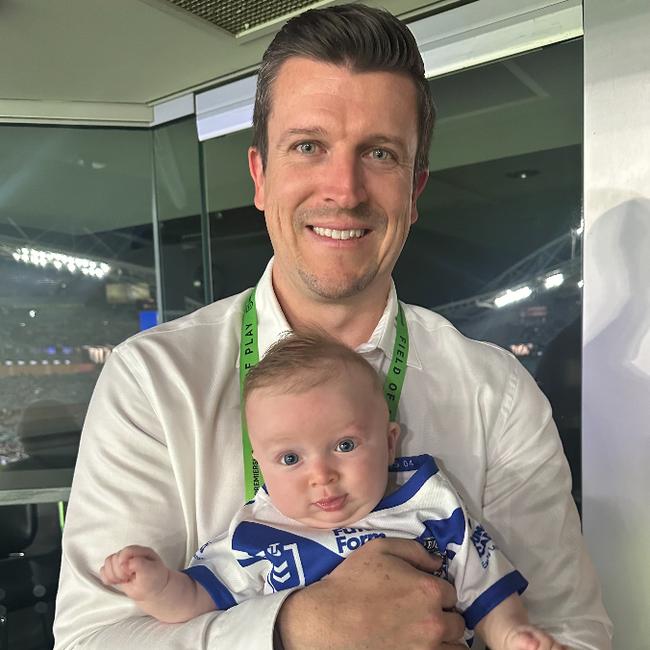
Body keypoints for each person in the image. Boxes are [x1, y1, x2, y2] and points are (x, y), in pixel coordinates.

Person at [53, 4, 612, 649]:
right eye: (308, 146)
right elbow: (93, 639)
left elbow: (573, 633)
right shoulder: (153, 380)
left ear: (414, 187)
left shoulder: (497, 391)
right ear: (261, 176)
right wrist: (301, 628)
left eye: (379, 153)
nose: (344, 190)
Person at [99, 332, 567, 650]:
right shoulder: (254, 537)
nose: (321, 475)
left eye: (344, 445)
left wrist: (512, 635)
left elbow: (486, 585)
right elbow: (195, 602)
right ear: (261, 468)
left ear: (389, 442)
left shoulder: (429, 504)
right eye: (290, 459)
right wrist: (157, 585)